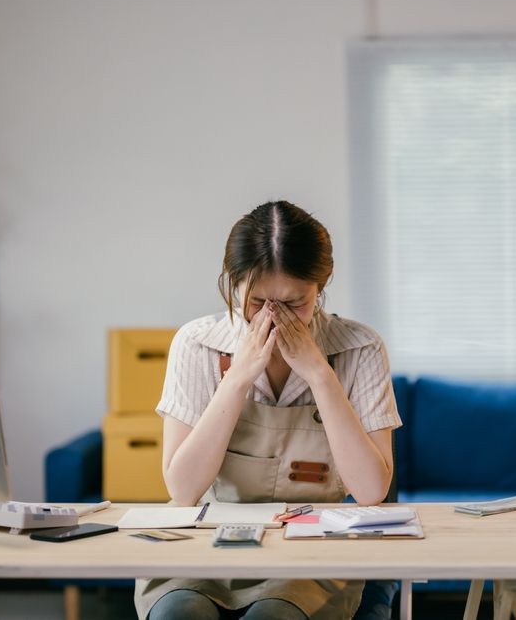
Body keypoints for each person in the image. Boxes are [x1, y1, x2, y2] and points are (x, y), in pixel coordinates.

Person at [135, 201, 402, 620]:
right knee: (180, 613)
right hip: (204, 544)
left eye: (295, 303)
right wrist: (238, 378)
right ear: (234, 284)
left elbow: (370, 491)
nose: (274, 317)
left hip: (308, 550)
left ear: (321, 286)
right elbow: (183, 490)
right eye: (258, 301)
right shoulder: (197, 343)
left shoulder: (359, 347)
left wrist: (319, 374)